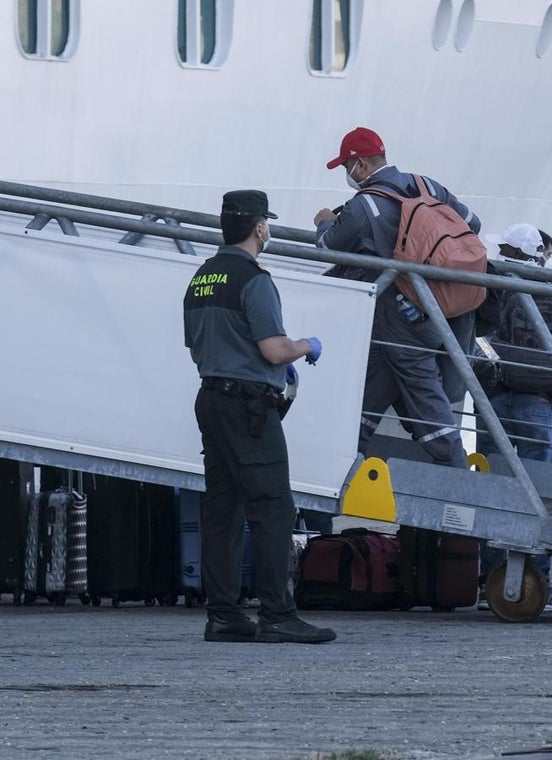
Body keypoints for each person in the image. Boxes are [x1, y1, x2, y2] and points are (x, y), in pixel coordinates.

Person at [184, 190, 335, 644]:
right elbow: (273, 347)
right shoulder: (254, 279)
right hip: (248, 406)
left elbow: (196, 346)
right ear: (259, 228)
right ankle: (277, 614)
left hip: (212, 399)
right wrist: (305, 345)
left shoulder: (201, 277)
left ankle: (224, 615)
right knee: (272, 509)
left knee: (222, 510)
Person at [313, 127, 479, 468]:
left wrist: (325, 222)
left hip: (399, 312)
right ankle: (343, 454)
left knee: (421, 386)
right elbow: (472, 223)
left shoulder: (363, 206)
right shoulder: (426, 185)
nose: (348, 174)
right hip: (443, 306)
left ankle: (455, 468)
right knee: (377, 379)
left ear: (359, 166)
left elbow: (328, 246)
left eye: (347, 167)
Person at [474, 223, 552, 611]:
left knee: (493, 492)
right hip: (535, 398)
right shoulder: (547, 288)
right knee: (540, 494)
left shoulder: (489, 284)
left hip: (492, 396)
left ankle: (490, 582)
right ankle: (537, 583)